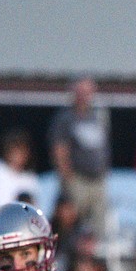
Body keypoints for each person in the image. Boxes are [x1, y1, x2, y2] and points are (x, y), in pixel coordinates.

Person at [49, 77, 110, 235]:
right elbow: (59, 148)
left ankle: (94, 254)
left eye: (88, 92)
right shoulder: (66, 118)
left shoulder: (98, 116)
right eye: (81, 92)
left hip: (97, 180)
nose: (85, 96)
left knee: (99, 221)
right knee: (74, 221)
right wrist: (67, 176)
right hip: (77, 179)